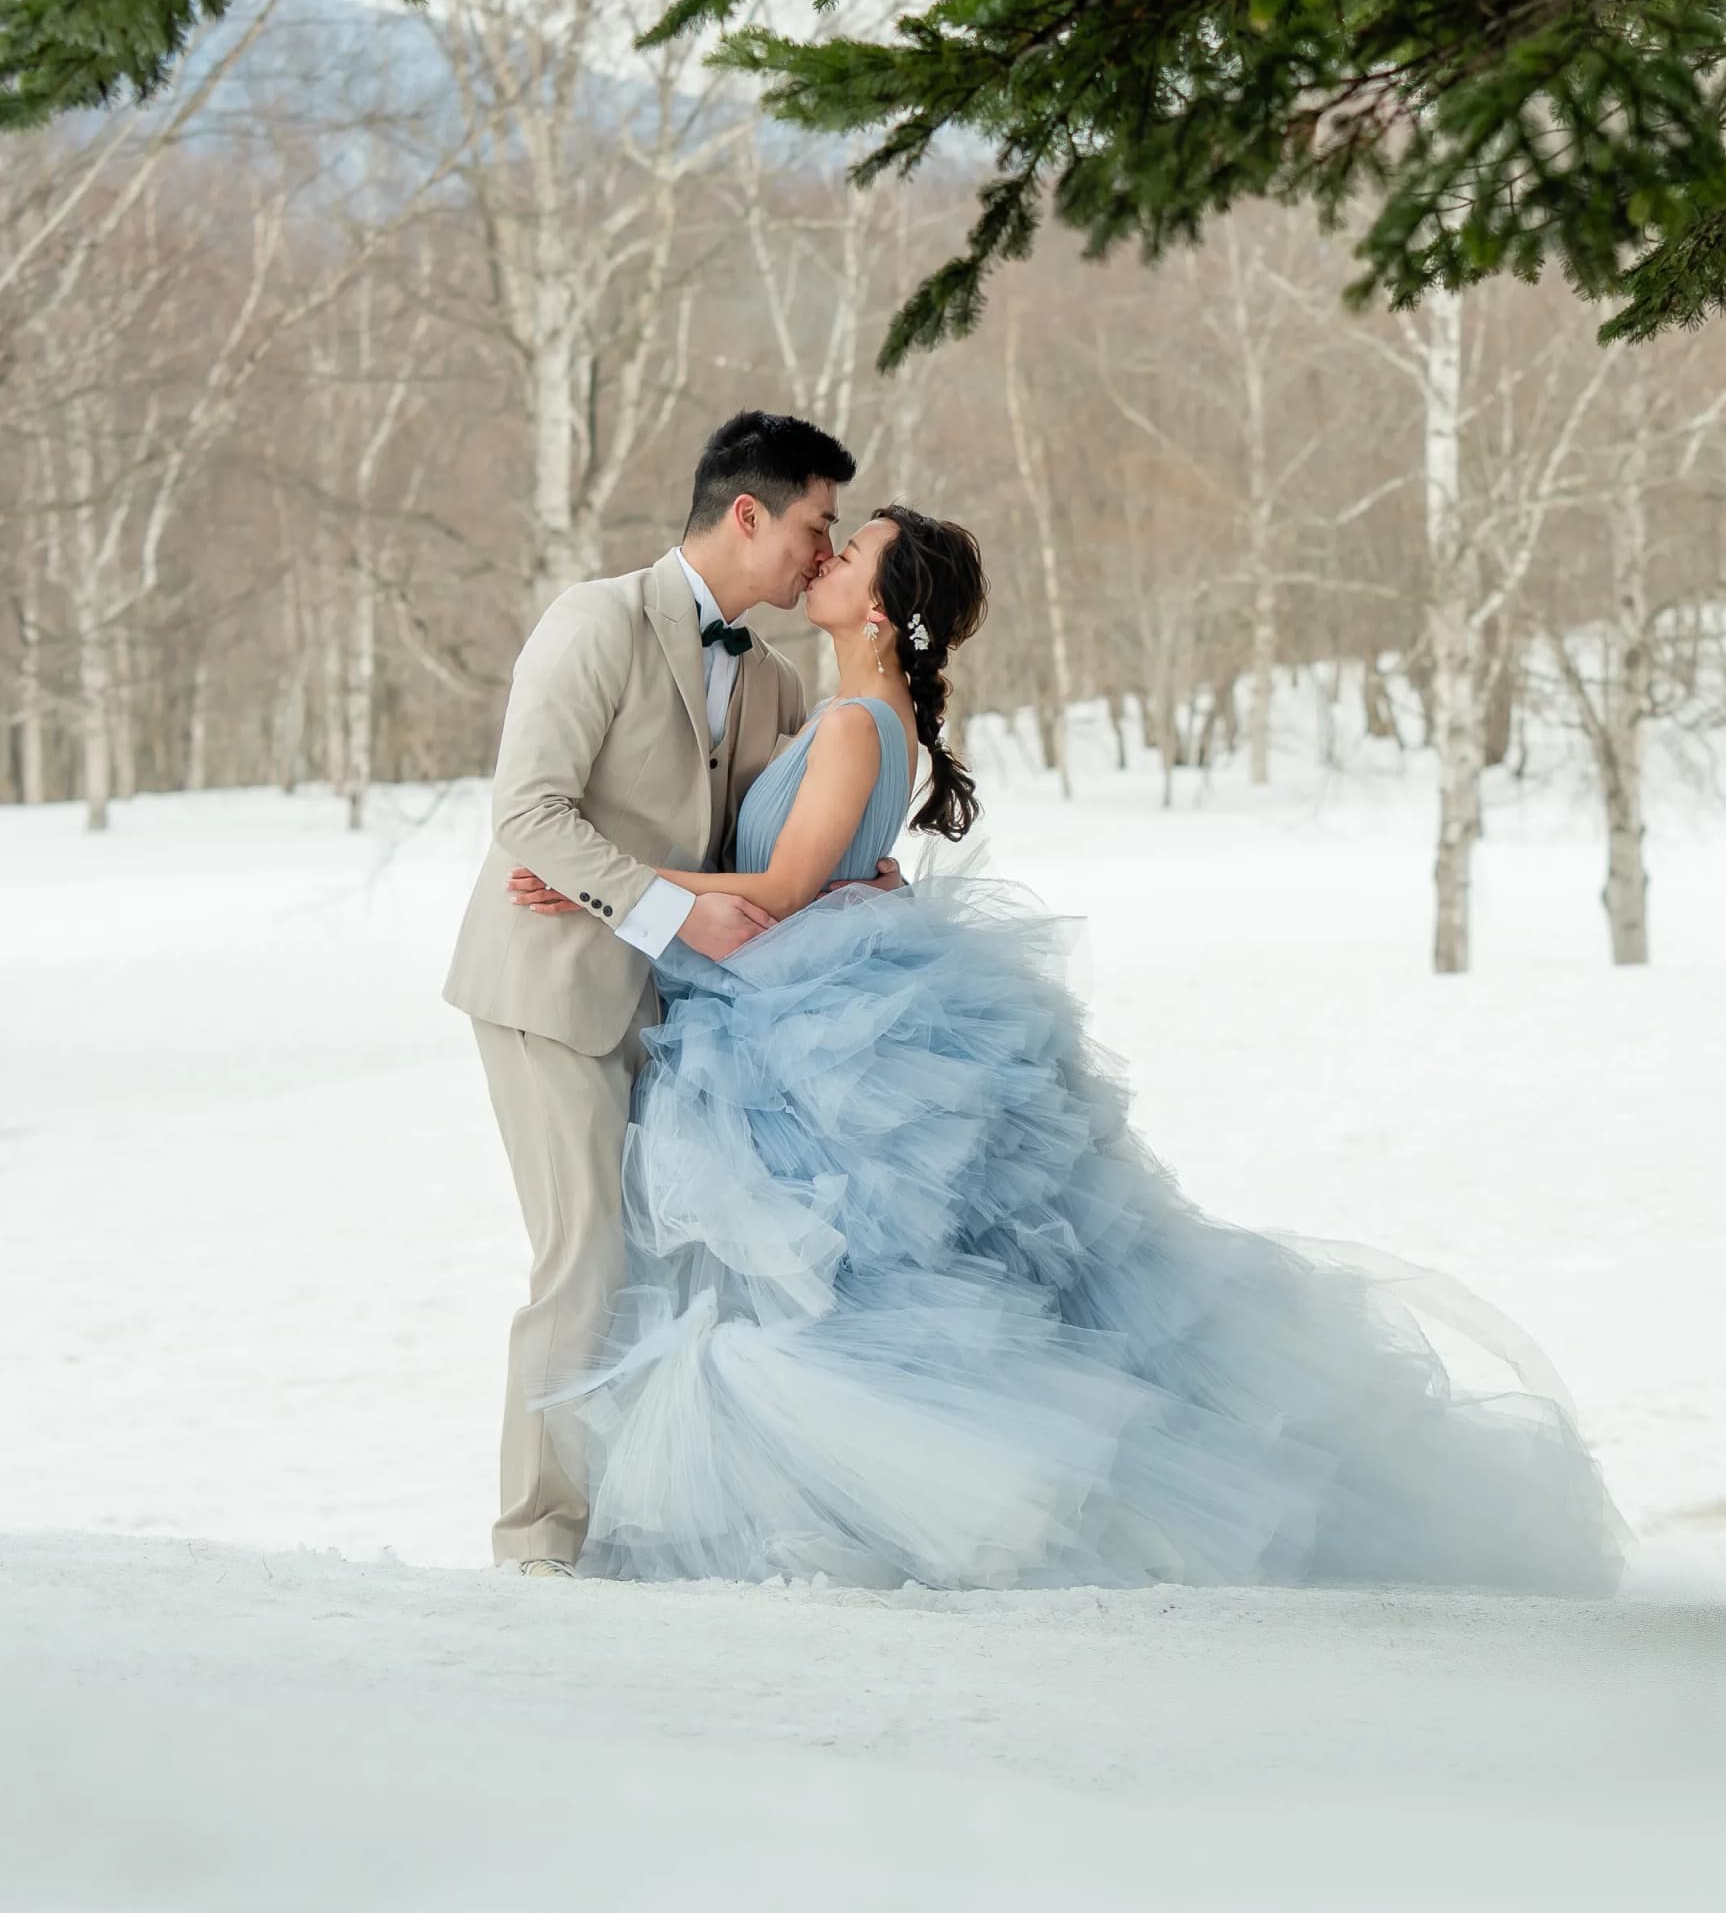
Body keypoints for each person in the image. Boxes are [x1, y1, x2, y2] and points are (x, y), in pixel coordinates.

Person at [529, 502, 1625, 1594]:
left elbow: (778, 890)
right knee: (843, 1277)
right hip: (808, 999)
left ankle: (904, 1503)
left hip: (806, 1018)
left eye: (848, 553)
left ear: (880, 609)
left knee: (830, 1280)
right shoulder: (861, 715)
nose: (825, 558)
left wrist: (607, 883)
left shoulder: (859, 722)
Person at [443, 412, 878, 1574]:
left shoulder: (776, 680)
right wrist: (660, 906)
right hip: (550, 987)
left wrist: (855, 876)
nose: (822, 553)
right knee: (583, 1257)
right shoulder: (595, 620)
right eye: (815, 525)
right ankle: (537, 1545)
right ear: (748, 513)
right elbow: (527, 812)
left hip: (685, 1019)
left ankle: (629, 1531)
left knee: (659, 1268)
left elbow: (762, 850)